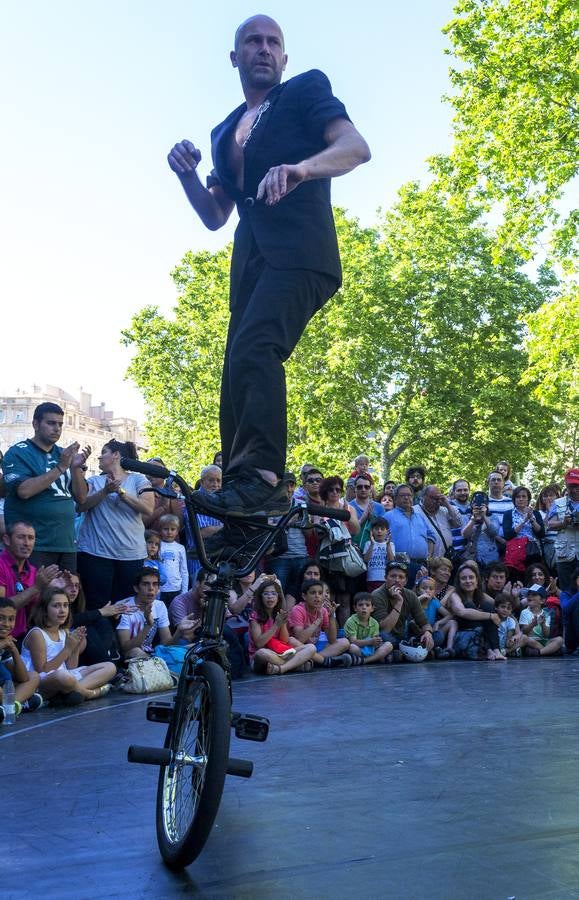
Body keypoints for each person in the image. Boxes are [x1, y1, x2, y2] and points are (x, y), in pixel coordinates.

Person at [168, 14, 370, 519]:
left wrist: (303, 169)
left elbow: (355, 148)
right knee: (236, 367)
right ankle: (242, 490)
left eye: (272, 42)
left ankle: (263, 478)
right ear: (235, 57)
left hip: (301, 254)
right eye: (252, 42)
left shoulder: (303, 91)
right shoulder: (222, 132)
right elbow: (216, 215)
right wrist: (187, 175)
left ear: (283, 57)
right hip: (252, 264)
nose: (263, 48)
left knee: (257, 346)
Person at [72, 440, 155, 609]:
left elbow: (148, 508)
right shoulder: (95, 480)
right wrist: (105, 491)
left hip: (130, 556)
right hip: (95, 555)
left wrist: (120, 492)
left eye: (104, 452)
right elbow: (81, 505)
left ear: (116, 455)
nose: (99, 456)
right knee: (96, 606)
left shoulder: (138, 480)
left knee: (125, 608)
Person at [2, 402, 84, 569]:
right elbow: (24, 491)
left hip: (66, 544)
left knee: (65, 594)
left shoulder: (64, 453)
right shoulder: (17, 452)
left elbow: (81, 498)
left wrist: (75, 468)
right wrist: (60, 467)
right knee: (35, 594)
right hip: (33, 545)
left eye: (60, 424)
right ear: (35, 424)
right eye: (51, 423)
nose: (57, 429)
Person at [21, 587, 117, 704]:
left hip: (66, 677)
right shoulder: (37, 633)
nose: (62, 610)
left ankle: (70, 693)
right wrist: (67, 649)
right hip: (43, 681)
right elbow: (42, 670)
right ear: (44, 610)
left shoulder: (64, 631)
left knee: (110, 667)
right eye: (56, 606)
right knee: (64, 677)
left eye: (65, 605)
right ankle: (89, 693)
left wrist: (75, 647)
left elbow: (71, 667)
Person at [116, 569, 197, 660]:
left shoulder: (160, 606)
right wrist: (148, 625)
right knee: (136, 652)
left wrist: (179, 631)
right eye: (145, 584)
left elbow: (166, 643)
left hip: (152, 654)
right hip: (130, 657)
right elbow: (125, 648)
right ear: (136, 588)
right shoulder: (124, 607)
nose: (151, 588)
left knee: (193, 647)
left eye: (155, 584)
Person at [0, 521, 60, 641]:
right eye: (21, 537)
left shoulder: (33, 571)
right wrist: (36, 588)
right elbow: (2, 607)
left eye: (31, 538)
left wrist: (61, 590)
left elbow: (37, 612)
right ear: (7, 540)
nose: (27, 543)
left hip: (22, 636)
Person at [248, 579, 316, 675]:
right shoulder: (255, 616)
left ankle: (282, 668)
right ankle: (295, 665)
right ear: (260, 597)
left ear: (278, 597)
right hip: (264, 656)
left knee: (311, 648)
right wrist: (276, 625)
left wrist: (282, 624)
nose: (270, 597)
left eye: (273, 594)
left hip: (281, 653)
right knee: (261, 653)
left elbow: (284, 641)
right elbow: (259, 644)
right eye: (266, 594)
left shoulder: (280, 613)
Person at [370, 561, 434, 654]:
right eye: (393, 576)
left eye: (401, 577)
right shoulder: (377, 595)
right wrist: (399, 602)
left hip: (404, 635)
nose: (397, 580)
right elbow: (385, 629)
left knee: (437, 635)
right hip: (385, 637)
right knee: (384, 637)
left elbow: (424, 623)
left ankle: (404, 650)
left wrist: (428, 633)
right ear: (385, 578)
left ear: (406, 581)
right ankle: (410, 649)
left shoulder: (410, 595)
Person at [287, 579, 353, 667]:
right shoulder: (298, 610)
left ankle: (313, 660)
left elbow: (332, 640)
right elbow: (300, 639)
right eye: (313, 593)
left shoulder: (323, 611)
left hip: (314, 648)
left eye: (320, 593)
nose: (317, 596)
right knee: (292, 640)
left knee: (345, 642)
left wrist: (331, 616)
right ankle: (321, 660)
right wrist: (317, 621)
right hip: (299, 648)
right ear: (304, 596)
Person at [447, 563, 505, 661]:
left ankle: (496, 650)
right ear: (459, 582)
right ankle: (488, 649)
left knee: (488, 606)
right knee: (471, 606)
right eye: (464, 578)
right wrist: (490, 616)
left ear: (477, 580)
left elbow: (500, 608)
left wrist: (516, 627)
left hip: (480, 633)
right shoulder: (454, 596)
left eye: (471, 577)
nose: (468, 581)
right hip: (464, 632)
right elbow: (462, 612)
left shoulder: (481, 595)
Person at [384, 484, 435, 588]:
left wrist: (429, 556)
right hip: (399, 567)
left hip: (421, 566)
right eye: (402, 495)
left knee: (418, 599)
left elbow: (431, 537)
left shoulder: (420, 517)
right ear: (395, 498)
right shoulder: (388, 516)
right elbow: (381, 539)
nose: (406, 497)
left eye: (409, 495)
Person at [0, 598, 42, 718]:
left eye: (11, 619)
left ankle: (11, 707)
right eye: (1, 618)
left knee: (33, 676)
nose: (6, 624)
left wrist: (14, 651)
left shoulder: (7, 641)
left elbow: (23, 678)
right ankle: (20, 704)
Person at [546, 468, 579, 593]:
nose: (574, 490)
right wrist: (563, 523)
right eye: (571, 486)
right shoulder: (558, 503)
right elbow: (550, 524)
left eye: (577, 486)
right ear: (566, 484)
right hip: (564, 554)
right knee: (567, 590)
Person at [344, 593, 394, 664]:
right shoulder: (351, 621)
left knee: (389, 645)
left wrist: (377, 641)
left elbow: (374, 643)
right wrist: (370, 641)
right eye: (360, 605)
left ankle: (364, 661)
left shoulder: (375, 623)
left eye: (367, 605)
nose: (364, 607)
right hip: (358, 649)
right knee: (352, 647)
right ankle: (377, 658)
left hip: (370, 649)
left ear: (372, 608)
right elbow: (353, 641)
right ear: (355, 608)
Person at [415, 485, 463, 559]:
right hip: (426, 559)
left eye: (437, 498)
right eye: (432, 498)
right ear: (423, 497)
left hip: (446, 559)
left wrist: (447, 504)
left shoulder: (444, 510)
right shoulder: (414, 511)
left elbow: (458, 523)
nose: (435, 501)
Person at [518, 585, 564, 657]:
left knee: (560, 640)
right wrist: (532, 624)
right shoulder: (524, 612)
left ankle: (540, 652)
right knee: (526, 638)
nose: (530, 596)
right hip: (531, 641)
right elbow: (524, 631)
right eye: (529, 594)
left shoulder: (546, 614)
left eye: (534, 595)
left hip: (543, 641)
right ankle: (549, 651)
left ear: (542, 601)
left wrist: (543, 624)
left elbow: (546, 635)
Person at [158, 514, 189, 608]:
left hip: (176, 588)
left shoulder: (180, 548)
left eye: (172, 529)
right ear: (160, 530)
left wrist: (184, 591)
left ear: (177, 531)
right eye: (166, 529)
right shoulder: (157, 546)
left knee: (175, 614)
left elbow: (184, 571)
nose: (169, 532)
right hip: (160, 589)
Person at [349, 474, 386, 550]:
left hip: (374, 552)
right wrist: (363, 518)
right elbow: (347, 532)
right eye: (360, 487)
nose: (363, 489)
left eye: (366, 487)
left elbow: (383, 531)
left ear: (370, 489)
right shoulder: (348, 507)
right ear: (354, 489)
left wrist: (372, 518)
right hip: (353, 551)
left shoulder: (380, 507)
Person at [363, 518, 395, 590]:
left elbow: (391, 561)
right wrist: (372, 544)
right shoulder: (368, 544)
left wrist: (388, 545)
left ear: (387, 531)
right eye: (376, 529)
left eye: (382, 529)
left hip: (386, 579)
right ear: (372, 531)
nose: (379, 531)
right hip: (371, 578)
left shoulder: (391, 544)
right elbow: (366, 560)